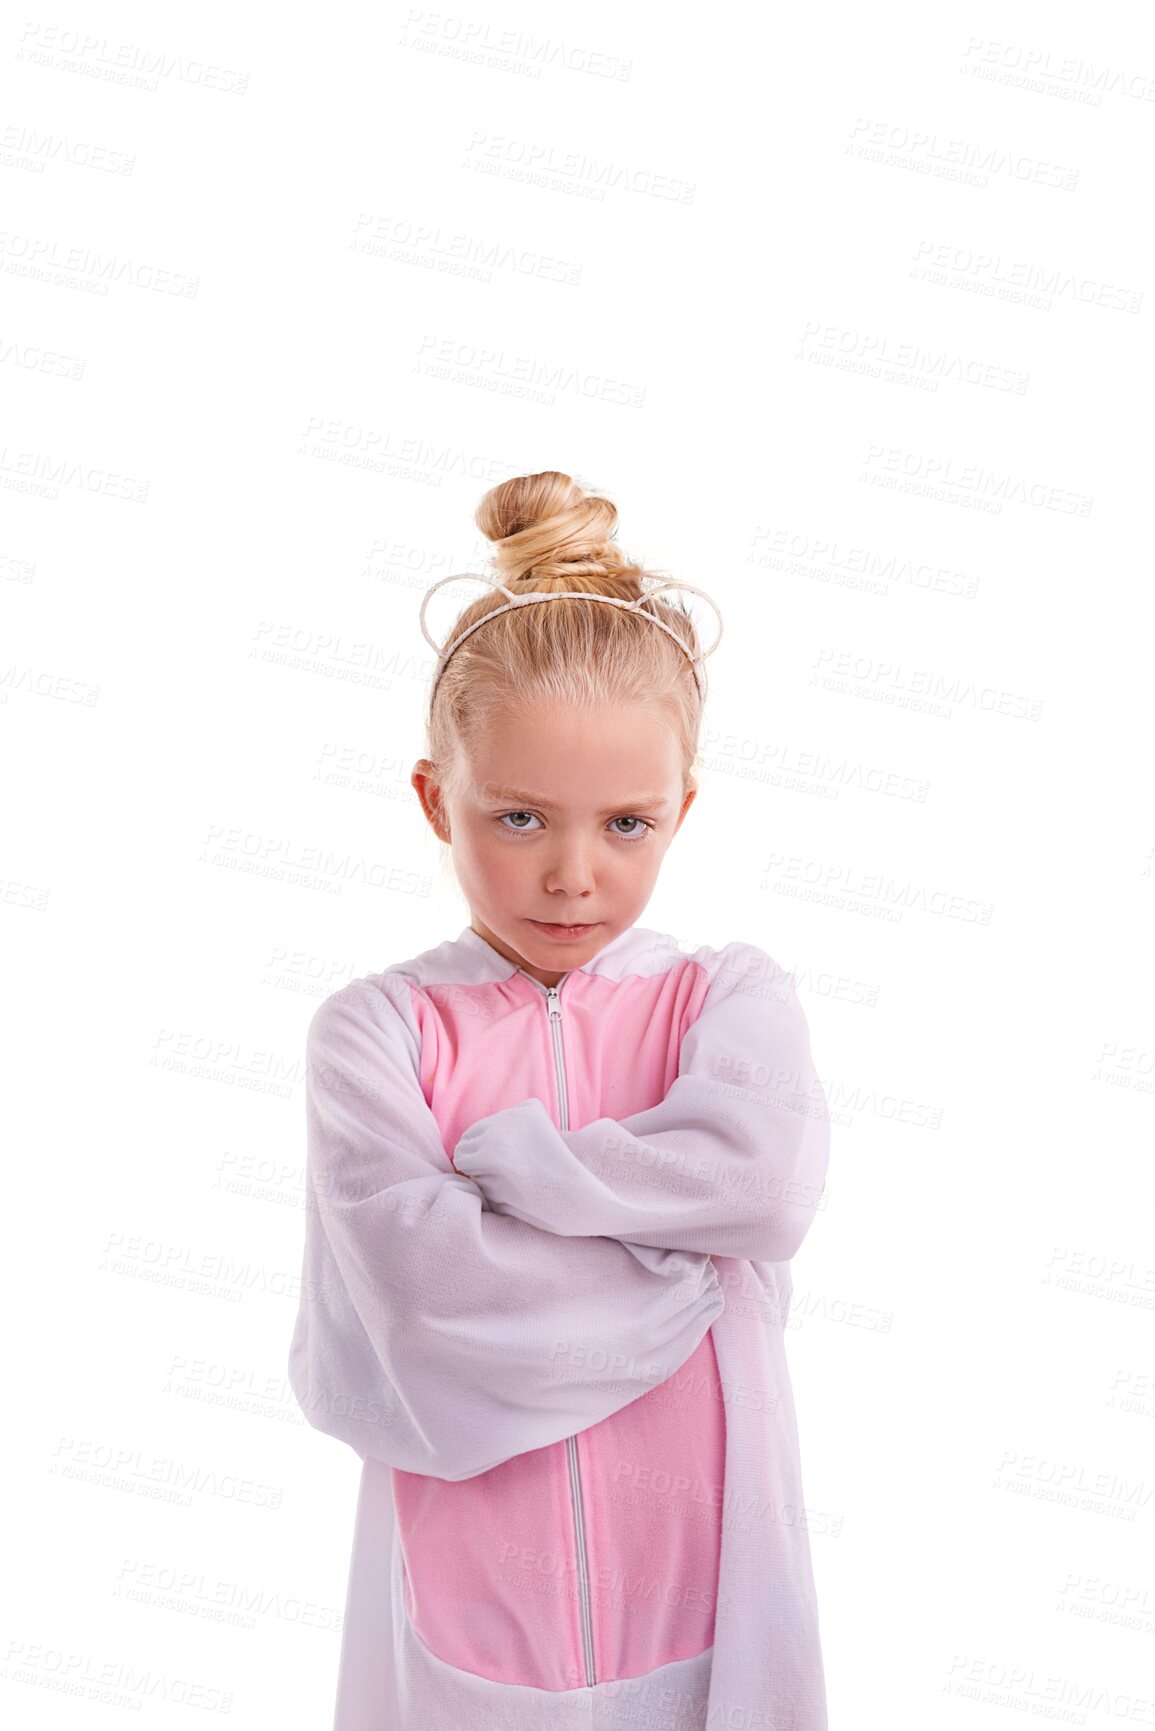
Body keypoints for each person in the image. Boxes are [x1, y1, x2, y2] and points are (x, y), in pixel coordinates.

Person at [287, 470, 832, 1730]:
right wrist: (691, 1268)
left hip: (701, 1591)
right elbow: (431, 1302)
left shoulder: (728, 1001)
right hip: (472, 1601)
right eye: (519, 815)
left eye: (628, 824)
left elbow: (758, 1183)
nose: (573, 876)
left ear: (682, 812)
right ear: (437, 798)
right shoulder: (380, 1034)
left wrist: (530, 1178)